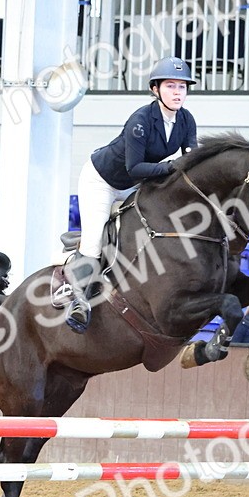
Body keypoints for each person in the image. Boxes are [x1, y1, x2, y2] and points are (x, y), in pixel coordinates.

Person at [54, 56, 199, 332]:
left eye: (182, 86)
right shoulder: (141, 120)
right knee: (94, 242)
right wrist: (171, 167)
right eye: (171, 86)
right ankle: (78, 300)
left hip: (136, 183)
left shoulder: (186, 121)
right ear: (156, 89)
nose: (178, 92)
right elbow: (135, 167)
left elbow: (189, 160)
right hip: (103, 181)